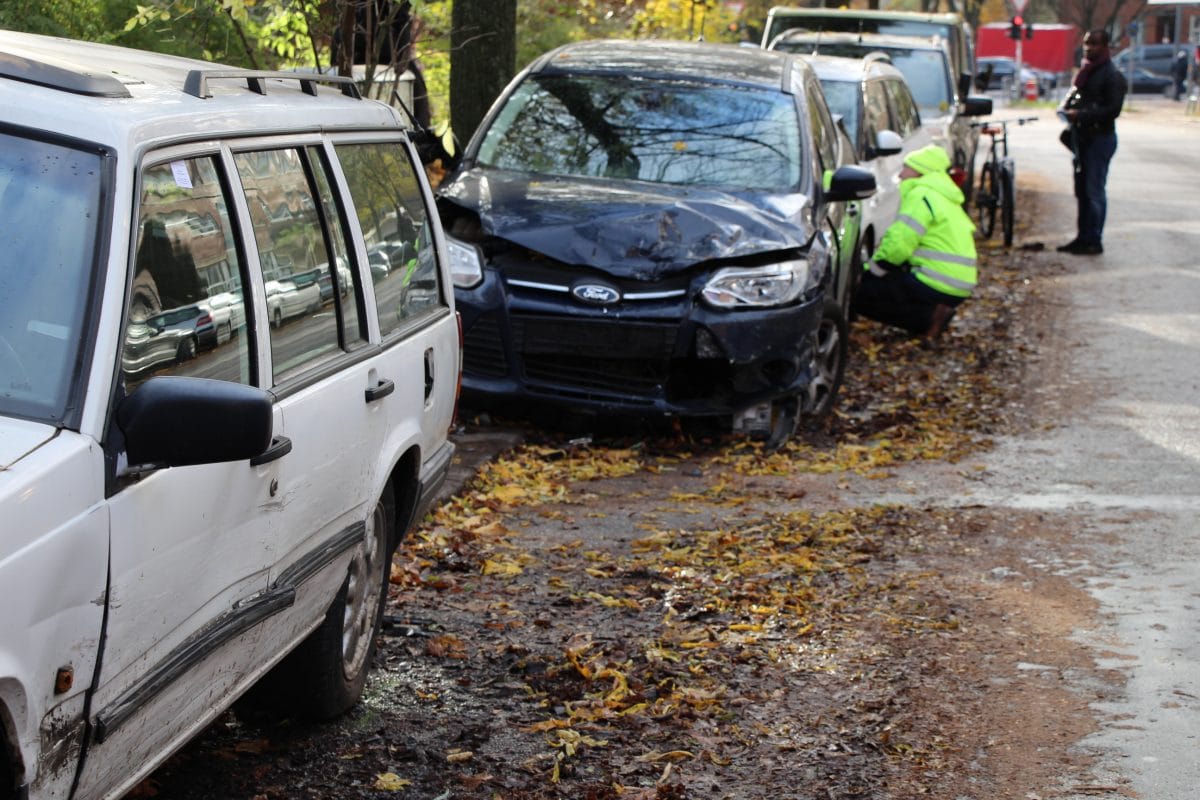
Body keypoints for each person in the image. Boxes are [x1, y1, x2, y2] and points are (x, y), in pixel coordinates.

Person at [851, 143, 977, 339]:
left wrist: (870, 272)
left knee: (861, 295)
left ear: (919, 171)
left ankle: (929, 318)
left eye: (906, 168)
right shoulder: (944, 195)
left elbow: (898, 246)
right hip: (959, 281)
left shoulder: (921, 195)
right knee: (890, 283)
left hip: (937, 281)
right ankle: (933, 313)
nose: (900, 175)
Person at [1057, 29, 1126, 256]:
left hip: (1100, 139)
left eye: (1094, 44)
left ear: (1105, 46)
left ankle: (1094, 239)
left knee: (1094, 191)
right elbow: (1073, 96)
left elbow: (1112, 110)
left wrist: (1082, 115)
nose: (1089, 48)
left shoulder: (1111, 75)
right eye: (1087, 43)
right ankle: (1083, 237)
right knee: (1082, 191)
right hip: (1082, 139)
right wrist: (1066, 110)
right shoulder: (1086, 72)